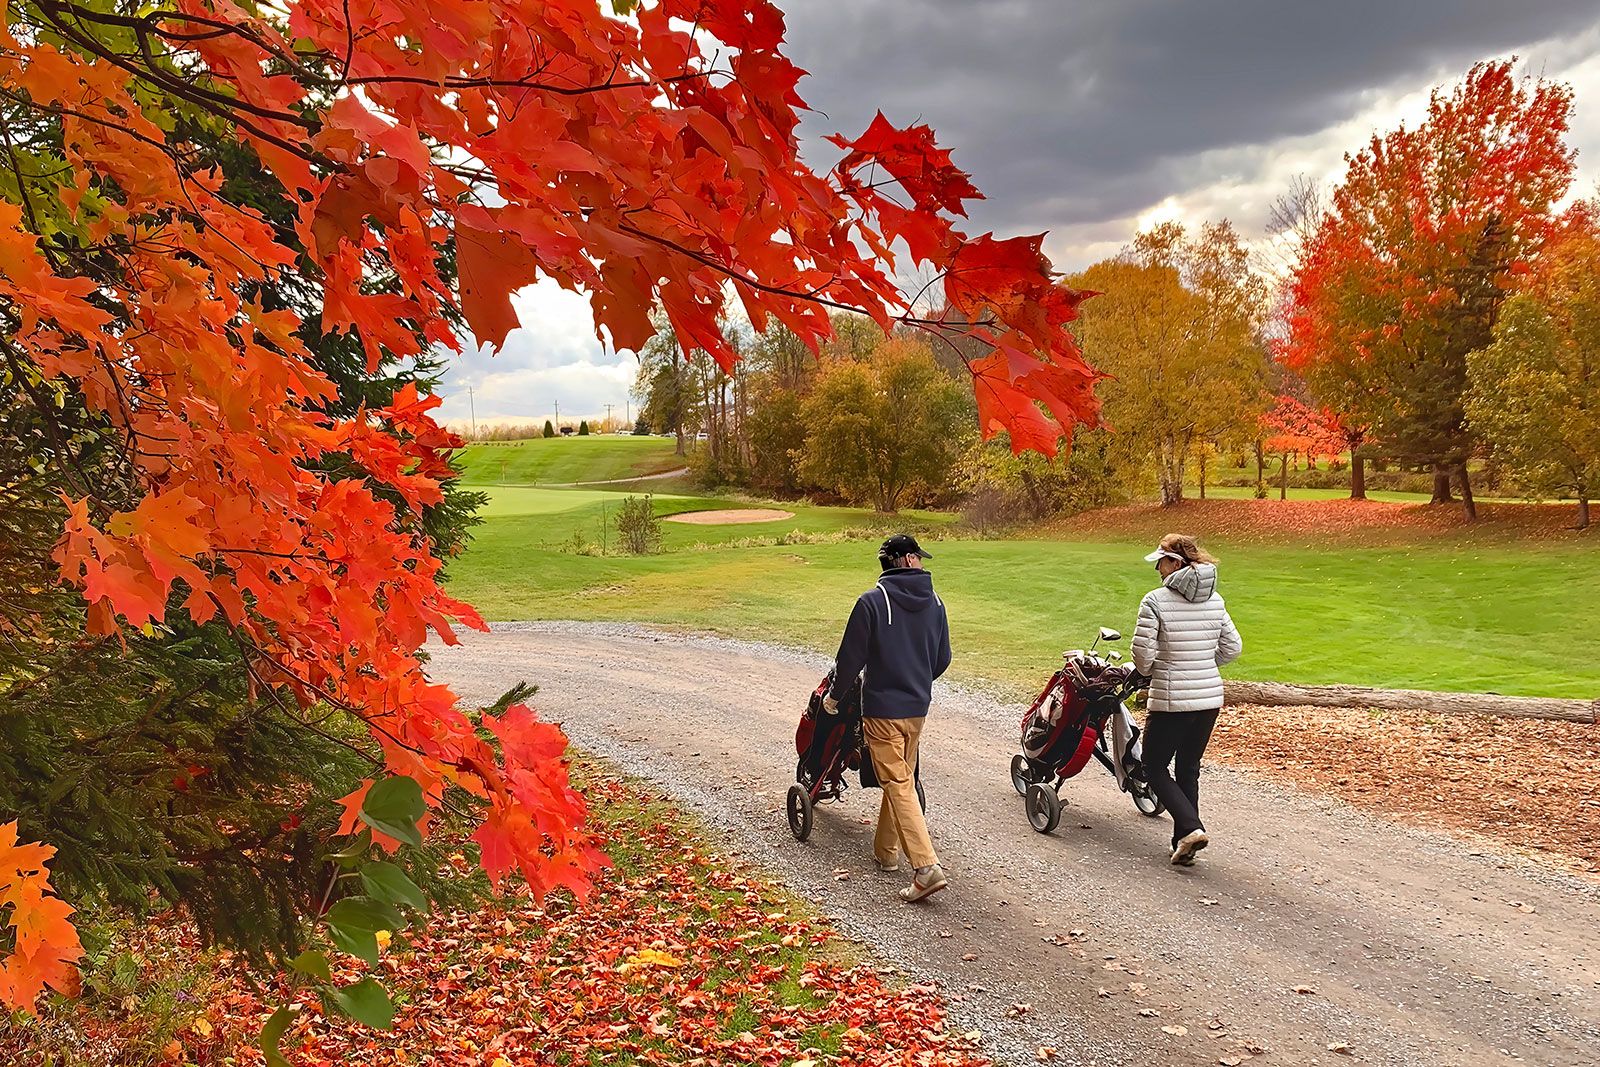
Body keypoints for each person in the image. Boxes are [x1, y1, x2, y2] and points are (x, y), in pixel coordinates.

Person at [825, 533, 952, 902]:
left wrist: (834, 698)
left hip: (882, 709)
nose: (923, 564)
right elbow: (941, 659)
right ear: (908, 560)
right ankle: (886, 854)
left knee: (896, 781)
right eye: (920, 558)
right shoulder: (936, 602)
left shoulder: (871, 602)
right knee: (900, 778)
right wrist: (917, 680)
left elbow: (849, 660)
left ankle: (926, 867)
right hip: (917, 709)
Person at [1130, 533, 1243, 866]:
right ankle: (1184, 843)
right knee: (1188, 768)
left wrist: (1155, 669)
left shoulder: (1154, 600)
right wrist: (1202, 665)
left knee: (1152, 765)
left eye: (1160, 563)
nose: (1157, 570)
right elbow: (1232, 647)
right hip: (1209, 699)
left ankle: (1192, 827)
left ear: (1175, 563)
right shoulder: (1215, 600)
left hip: (1172, 698)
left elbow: (1143, 656)